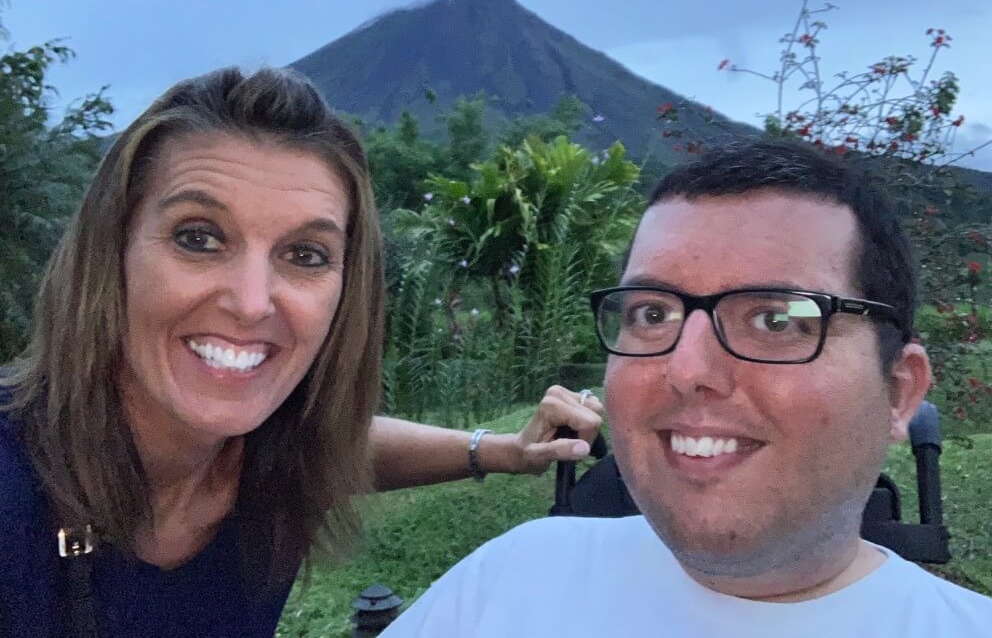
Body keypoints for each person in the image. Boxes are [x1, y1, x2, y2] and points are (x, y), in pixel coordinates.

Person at [0, 67, 604, 638]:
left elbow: (340, 444)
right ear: (113, 253)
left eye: (306, 255)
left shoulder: (263, 460)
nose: (252, 302)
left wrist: (503, 451)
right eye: (199, 238)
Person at [382, 139, 992, 636]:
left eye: (778, 319)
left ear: (899, 392)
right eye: (652, 314)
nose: (687, 370)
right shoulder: (506, 585)